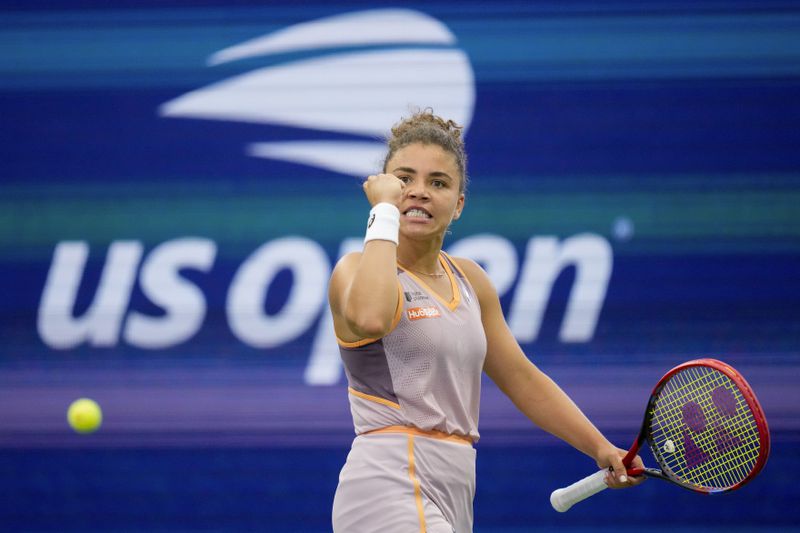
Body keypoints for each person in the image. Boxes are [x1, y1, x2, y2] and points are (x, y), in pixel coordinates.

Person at [328, 110, 643, 532]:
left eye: (437, 183)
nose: (419, 192)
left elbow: (521, 377)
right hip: (388, 481)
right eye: (404, 180)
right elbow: (371, 318)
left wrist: (599, 447)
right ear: (381, 188)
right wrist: (384, 212)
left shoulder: (471, 280)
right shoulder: (354, 270)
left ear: (458, 205)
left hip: (456, 486)